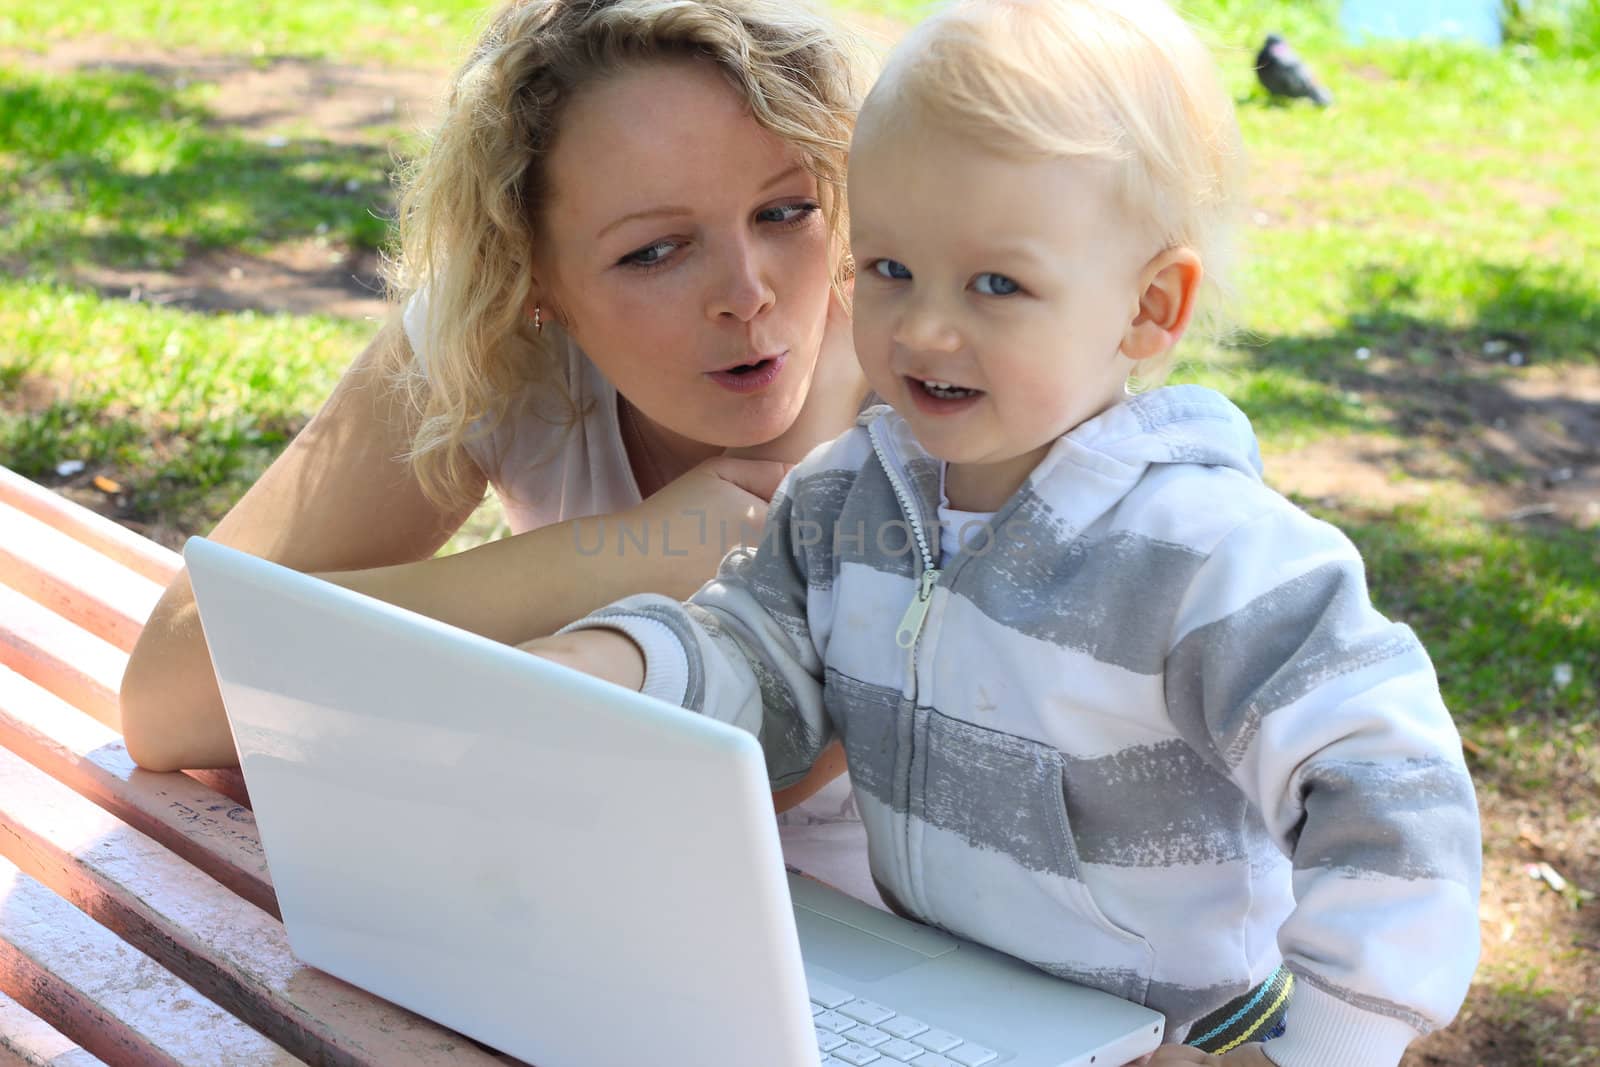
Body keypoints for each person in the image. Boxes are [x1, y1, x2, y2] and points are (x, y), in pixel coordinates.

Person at [519, 1, 1484, 1064]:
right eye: (888, 268)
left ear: (1147, 308)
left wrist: (1318, 1045)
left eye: (995, 283)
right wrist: (609, 665)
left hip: (1183, 1035)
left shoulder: (1213, 556)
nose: (926, 326)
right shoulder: (848, 499)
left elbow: (1396, 796)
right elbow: (762, 663)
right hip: (955, 1013)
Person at [117, 0, 873, 833]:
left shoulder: (932, 373)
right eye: (653, 250)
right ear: (531, 277)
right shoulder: (496, 337)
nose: (747, 292)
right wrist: (618, 556)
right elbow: (169, 694)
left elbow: (733, 790)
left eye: (785, 211)